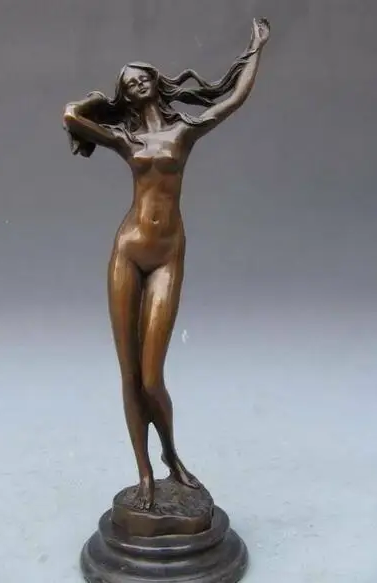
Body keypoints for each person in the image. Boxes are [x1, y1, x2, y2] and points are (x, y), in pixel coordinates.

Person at [63, 17, 270, 510]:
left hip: (167, 254)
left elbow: (233, 99)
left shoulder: (184, 130)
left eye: (143, 77)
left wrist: (257, 47)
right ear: (127, 95)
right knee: (129, 374)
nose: (137, 84)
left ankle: (171, 456)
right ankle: (144, 474)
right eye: (128, 83)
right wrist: (98, 101)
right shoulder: (126, 139)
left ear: (156, 82)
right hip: (128, 249)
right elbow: (70, 115)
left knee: (152, 377)